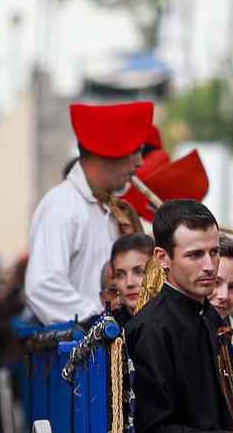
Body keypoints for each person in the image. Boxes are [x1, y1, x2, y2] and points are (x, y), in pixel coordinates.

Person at [124, 200, 233, 433]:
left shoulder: (211, 317)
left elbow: (228, 404)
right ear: (162, 258)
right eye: (195, 255)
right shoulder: (150, 330)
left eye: (214, 252)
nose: (209, 266)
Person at [25, 101, 154, 324]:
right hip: (87, 353)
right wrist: (99, 322)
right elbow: (43, 286)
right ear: (110, 151)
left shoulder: (108, 207)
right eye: (135, 151)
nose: (139, 162)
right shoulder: (62, 207)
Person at [103, 234, 154, 316]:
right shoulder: (105, 326)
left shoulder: (177, 319)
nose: (129, 283)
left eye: (139, 272)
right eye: (120, 275)